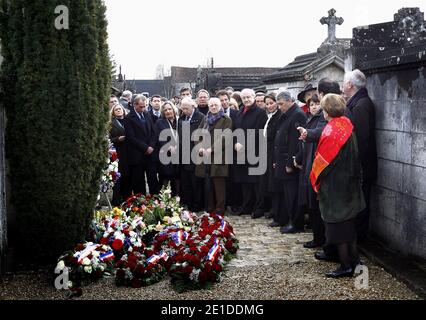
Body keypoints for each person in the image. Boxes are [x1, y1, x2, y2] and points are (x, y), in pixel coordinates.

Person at [310, 93, 365, 278]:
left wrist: (316, 181)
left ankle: (345, 265)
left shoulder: (332, 131)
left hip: (335, 187)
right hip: (350, 184)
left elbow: (323, 163)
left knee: (338, 229)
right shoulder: (347, 125)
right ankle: (355, 262)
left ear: (326, 111)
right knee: (348, 228)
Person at [343, 69, 377, 242]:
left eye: (344, 82)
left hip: (361, 166)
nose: (342, 85)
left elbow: (361, 139)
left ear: (350, 84)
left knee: (361, 202)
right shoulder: (357, 102)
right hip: (359, 165)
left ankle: (359, 239)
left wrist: (354, 165)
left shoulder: (361, 104)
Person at [271, 91, 307, 233]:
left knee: (293, 194)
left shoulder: (297, 114)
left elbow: (294, 142)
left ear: (289, 101)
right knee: (287, 193)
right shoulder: (286, 113)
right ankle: (289, 219)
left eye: (281, 104)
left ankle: (296, 222)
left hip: (290, 162)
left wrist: (290, 164)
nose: (279, 107)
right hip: (282, 160)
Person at [295, 94, 327, 248]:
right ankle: (317, 236)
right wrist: (298, 159)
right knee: (311, 205)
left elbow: (317, 134)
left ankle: (319, 238)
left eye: (317, 103)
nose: (314, 107)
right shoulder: (310, 119)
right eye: (311, 104)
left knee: (315, 205)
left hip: (315, 166)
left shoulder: (321, 119)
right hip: (307, 166)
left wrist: (307, 134)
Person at [232, 88, 267, 216]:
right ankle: (246, 206)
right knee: (245, 182)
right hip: (240, 152)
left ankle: (258, 208)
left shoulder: (260, 113)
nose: (246, 99)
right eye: (244, 98)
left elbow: (259, 133)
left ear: (253, 97)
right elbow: (235, 129)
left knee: (256, 183)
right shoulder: (240, 112)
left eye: (248, 97)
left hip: (254, 152)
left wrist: (245, 145)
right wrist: (235, 142)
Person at [195, 98, 232, 215]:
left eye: (216, 105)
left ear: (220, 106)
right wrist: (200, 147)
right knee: (208, 182)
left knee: (219, 183)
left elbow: (225, 137)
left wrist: (212, 149)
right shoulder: (205, 119)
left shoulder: (226, 119)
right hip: (205, 155)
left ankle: (220, 209)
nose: (214, 107)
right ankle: (210, 207)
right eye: (211, 105)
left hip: (219, 155)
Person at [124, 94, 159, 196]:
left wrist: (151, 146)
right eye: (141, 106)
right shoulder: (129, 118)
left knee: (152, 179)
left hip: (150, 154)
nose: (143, 108)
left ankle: (155, 200)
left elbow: (153, 132)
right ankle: (140, 203)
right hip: (137, 154)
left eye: (145, 106)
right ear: (135, 105)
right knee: (138, 181)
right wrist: (145, 148)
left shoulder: (147, 115)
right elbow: (131, 137)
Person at [253, 94, 281, 219]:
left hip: (273, 153)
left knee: (273, 183)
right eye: (267, 103)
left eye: (271, 103)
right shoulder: (268, 116)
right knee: (266, 182)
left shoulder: (278, 116)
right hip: (265, 153)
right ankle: (270, 209)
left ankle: (275, 210)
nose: (269, 106)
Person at [178, 97, 206, 212]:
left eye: (186, 108)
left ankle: (197, 204)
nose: (184, 110)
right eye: (183, 108)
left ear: (193, 106)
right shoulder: (181, 118)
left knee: (196, 181)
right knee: (186, 180)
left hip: (196, 153)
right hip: (184, 154)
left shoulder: (200, 118)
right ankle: (188, 202)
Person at [153, 101, 179, 195]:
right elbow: (157, 138)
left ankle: (177, 200)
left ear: (173, 109)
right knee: (165, 178)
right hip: (165, 155)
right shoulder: (160, 123)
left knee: (177, 179)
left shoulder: (179, 120)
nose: (168, 111)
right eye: (165, 110)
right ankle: (163, 201)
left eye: (169, 109)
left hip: (179, 155)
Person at [109, 104, 130, 204]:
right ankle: (116, 199)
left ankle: (126, 198)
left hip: (128, 152)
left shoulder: (128, 121)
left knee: (127, 176)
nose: (118, 111)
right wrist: (117, 139)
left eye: (120, 109)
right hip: (117, 153)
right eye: (116, 110)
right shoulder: (111, 123)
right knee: (118, 176)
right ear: (113, 112)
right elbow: (108, 138)